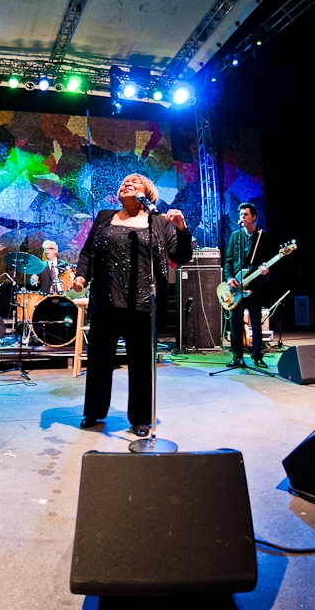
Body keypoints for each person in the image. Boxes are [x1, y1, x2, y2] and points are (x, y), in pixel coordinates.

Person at [72, 173, 193, 437]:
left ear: (147, 193)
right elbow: (88, 252)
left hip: (144, 305)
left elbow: (180, 256)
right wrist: (81, 275)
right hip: (106, 300)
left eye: (135, 182)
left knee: (141, 364)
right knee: (100, 360)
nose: (127, 183)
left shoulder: (158, 222)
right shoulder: (105, 217)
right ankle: (93, 410)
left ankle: (140, 418)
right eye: (124, 181)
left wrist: (182, 230)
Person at [223, 202, 275, 368]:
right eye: (241, 215)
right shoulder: (235, 236)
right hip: (237, 286)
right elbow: (229, 260)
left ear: (253, 217)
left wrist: (267, 270)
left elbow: (269, 260)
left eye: (245, 215)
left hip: (256, 284)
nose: (242, 218)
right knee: (236, 323)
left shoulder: (264, 236)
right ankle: (236, 355)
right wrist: (230, 277)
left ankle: (257, 356)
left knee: (255, 320)